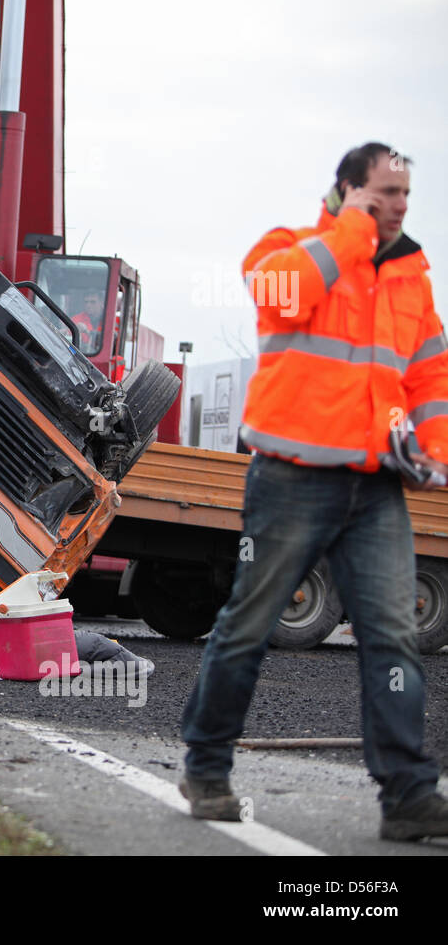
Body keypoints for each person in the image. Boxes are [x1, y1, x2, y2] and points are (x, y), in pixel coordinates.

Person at [179, 142, 448, 841]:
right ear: (349, 190)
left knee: (393, 641)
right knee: (248, 626)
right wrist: (352, 234)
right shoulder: (289, 247)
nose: (400, 206)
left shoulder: (411, 277)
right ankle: (206, 769)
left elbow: (429, 377)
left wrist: (436, 451)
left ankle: (409, 796)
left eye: (406, 195)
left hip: (377, 487)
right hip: (292, 476)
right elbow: (286, 294)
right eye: (387, 192)